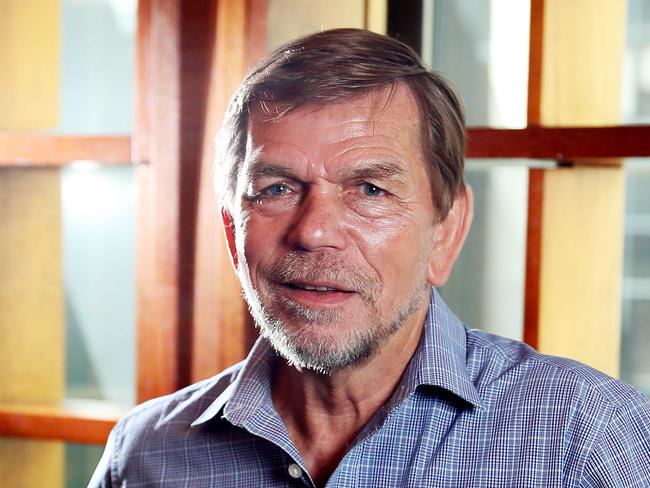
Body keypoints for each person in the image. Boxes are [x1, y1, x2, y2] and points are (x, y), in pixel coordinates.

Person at [89, 28, 649, 487]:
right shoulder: (144, 455)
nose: (314, 232)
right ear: (234, 234)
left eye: (370, 190)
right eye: (277, 188)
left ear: (446, 232)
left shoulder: (591, 440)